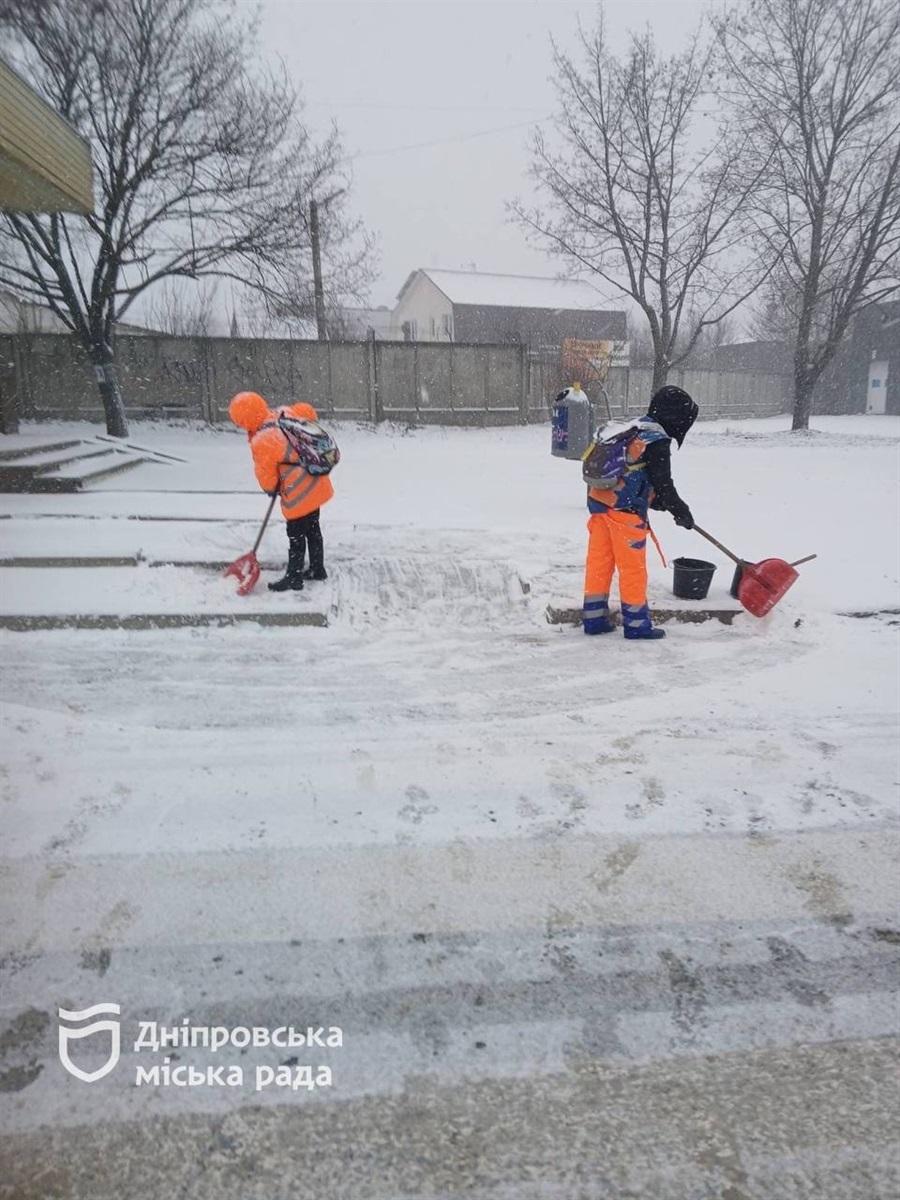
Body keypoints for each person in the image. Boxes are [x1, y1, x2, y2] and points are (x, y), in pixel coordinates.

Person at [582, 385, 698, 641]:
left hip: (599, 505)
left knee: (599, 564)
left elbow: (636, 473)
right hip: (625, 512)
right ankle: (636, 624)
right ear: (676, 416)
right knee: (632, 569)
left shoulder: (633, 428)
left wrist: (659, 503)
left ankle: (594, 619)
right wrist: (682, 511)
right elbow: (663, 484)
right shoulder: (656, 439)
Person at [228, 392, 334, 591]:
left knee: (295, 533)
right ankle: (317, 569)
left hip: (299, 490)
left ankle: (294, 578)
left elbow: (266, 477)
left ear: (245, 419)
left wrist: (270, 489)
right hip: (316, 479)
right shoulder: (283, 413)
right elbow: (306, 413)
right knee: (312, 528)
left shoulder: (262, 440)